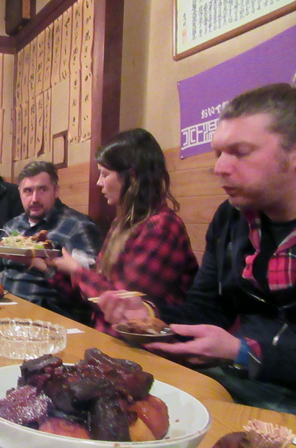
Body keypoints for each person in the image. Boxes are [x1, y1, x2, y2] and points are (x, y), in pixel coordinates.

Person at [98, 83, 296, 414]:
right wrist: (150, 314)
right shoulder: (231, 218)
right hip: (238, 380)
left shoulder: (163, 224)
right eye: (218, 154)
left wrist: (241, 350)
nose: (219, 168)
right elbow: (206, 308)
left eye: (240, 152)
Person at [45, 128, 198, 335]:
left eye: (105, 174)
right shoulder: (122, 223)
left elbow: (121, 307)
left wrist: (75, 270)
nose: (99, 182)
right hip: (107, 337)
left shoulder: (161, 226)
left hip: (145, 346)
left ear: (132, 176)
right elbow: (94, 296)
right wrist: (51, 268)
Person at [0, 161, 102, 321]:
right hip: (8, 310)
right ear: (20, 193)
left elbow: (92, 288)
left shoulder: (78, 226)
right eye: (28, 191)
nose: (34, 198)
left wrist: (46, 267)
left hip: (52, 318)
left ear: (56, 191)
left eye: (42, 190)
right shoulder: (13, 225)